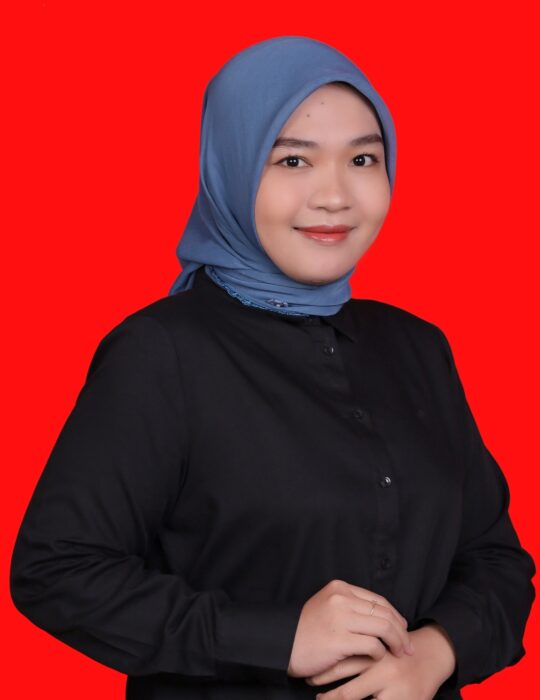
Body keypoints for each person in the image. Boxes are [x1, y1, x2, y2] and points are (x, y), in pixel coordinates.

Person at [10, 35, 535, 700]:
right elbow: (56, 571)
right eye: (292, 160)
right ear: (231, 168)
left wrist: (434, 654)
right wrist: (278, 638)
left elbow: (497, 562)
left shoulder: (418, 347)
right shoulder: (162, 354)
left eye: (363, 159)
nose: (334, 197)